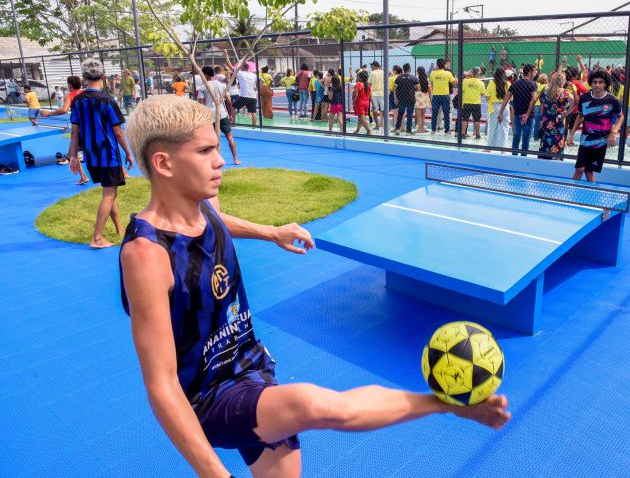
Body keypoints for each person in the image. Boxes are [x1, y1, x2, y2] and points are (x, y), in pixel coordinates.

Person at [119, 94, 510, 477]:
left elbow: (218, 223)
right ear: (164, 163)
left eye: (217, 147)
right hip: (209, 397)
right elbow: (162, 384)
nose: (220, 160)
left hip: (248, 363)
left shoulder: (204, 201)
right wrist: (213, 473)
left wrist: (271, 232)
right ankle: (445, 405)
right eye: (205, 151)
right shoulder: (147, 256)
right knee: (314, 404)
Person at [68, 58, 134, 249]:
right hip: (109, 155)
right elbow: (118, 132)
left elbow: (74, 131)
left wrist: (73, 156)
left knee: (108, 191)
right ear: (103, 77)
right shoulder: (107, 101)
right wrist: (128, 153)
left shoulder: (78, 100)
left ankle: (119, 227)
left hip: (91, 156)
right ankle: (97, 238)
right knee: (109, 194)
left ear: (84, 77)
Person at [567, 70, 623, 182]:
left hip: (601, 141)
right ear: (591, 83)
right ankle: (571, 194)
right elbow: (580, 116)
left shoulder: (612, 100)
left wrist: (613, 132)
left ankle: (591, 195)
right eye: (595, 82)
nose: (597, 85)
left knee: (589, 170)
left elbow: (621, 116)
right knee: (579, 168)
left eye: (600, 82)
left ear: (605, 84)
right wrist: (572, 134)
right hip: (585, 139)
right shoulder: (584, 98)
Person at [41, 75, 90, 185]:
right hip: (89, 125)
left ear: (69, 85)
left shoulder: (69, 96)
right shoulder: (85, 93)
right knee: (75, 154)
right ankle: (83, 176)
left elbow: (64, 110)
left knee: (73, 154)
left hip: (79, 128)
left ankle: (84, 177)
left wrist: (48, 113)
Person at [198, 65, 240, 165]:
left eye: (203, 75)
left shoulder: (203, 87)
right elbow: (229, 101)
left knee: (211, 139)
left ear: (206, 75)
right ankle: (235, 159)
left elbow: (201, 103)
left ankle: (214, 160)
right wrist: (230, 114)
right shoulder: (222, 85)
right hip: (222, 113)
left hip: (210, 115)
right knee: (229, 136)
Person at [527, 71, 573, 158]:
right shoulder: (565, 93)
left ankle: (544, 156)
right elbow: (574, 102)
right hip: (559, 119)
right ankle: (556, 157)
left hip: (546, 119)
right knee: (557, 139)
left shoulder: (545, 92)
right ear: (562, 81)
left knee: (545, 139)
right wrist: (567, 112)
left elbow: (541, 107)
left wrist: (542, 119)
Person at [497, 64, 537, 156]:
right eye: (534, 71)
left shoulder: (515, 84)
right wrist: (527, 114)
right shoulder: (533, 84)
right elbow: (534, 99)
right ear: (530, 72)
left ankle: (514, 157)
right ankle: (523, 158)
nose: (534, 73)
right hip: (529, 116)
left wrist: (500, 113)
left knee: (516, 137)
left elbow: (506, 98)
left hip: (517, 114)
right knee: (526, 139)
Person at [227, 55, 259, 128]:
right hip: (253, 97)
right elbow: (255, 86)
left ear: (241, 68)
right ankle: (254, 127)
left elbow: (230, 65)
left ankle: (233, 124)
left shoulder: (240, 73)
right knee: (253, 113)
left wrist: (226, 55)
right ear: (248, 68)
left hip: (244, 96)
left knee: (232, 107)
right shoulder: (253, 75)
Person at [429, 59, 457, 133]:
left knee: (435, 112)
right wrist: (456, 79)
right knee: (446, 112)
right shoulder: (448, 73)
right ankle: (447, 129)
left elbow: (431, 82)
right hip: (445, 95)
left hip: (436, 95)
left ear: (437, 65)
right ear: (444, 65)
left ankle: (433, 129)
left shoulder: (433, 73)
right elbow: (454, 83)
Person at [485, 68, 510, 150]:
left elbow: (487, 96)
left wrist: (491, 102)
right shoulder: (507, 84)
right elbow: (511, 97)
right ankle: (503, 148)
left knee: (492, 127)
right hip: (505, 106)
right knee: (504, 128)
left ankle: (489, 148)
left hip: (494, 107)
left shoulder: (492, 83)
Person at [394, 63, 419, 135]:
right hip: (411, 99)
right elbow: (418, 88)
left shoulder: (398, 78)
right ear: (410, 69)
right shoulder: (414, 78)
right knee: (410, 114)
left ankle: (397, 129)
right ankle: (408, 130)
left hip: (401, 99)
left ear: (403, 69)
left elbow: (394, 89)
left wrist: (395, 98)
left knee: (400, 114)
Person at [460, 67, 485, 139]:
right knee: (477, 120)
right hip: (476, 103)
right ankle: (477, 134)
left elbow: (462, 90)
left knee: (465, 119)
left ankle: (463, 133)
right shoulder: (481, 83)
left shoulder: (465, 81)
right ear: (478, 74)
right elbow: (482, 94)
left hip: (467, 102)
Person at [351, 70, 372, 135]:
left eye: (357, 77)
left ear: (361, 78)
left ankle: (368, 131)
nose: (356, 78)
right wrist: (373, 104)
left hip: (360, 103)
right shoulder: (368, 85)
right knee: (360, 118)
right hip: (366, 103)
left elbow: (356, 95)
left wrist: (353, 103)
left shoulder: (358, 84)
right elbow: (370, 96)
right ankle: (357, 130)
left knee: (362, 118)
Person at [368, 61, 385, 130]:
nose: (371, 67)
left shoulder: (372, 73)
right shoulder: (383, 72)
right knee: (384, 109)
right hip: (382, 93)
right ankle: (384, 123)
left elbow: (369, 83)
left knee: (374, 110)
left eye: (371, 66)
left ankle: (377, 125)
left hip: (374, 93)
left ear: (375, 66)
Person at [415, 66, 432, 134]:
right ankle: (422, 128)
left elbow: (416, 88)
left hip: (419, 96)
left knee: (418, 115)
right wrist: (430, 98)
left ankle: (419, 129)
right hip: (425, 96)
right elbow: (429, 90)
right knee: (423, 114)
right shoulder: (427, 79)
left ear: (418, 71)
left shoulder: (416, 79)